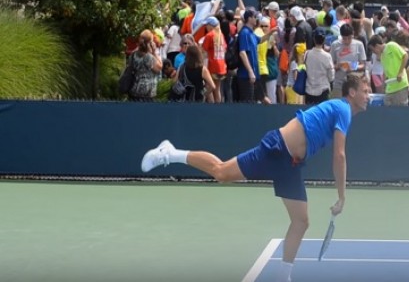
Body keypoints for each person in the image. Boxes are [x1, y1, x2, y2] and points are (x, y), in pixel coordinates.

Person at [141, 74, 370, 282]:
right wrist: (342, 197)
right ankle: (170, 153)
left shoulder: (344, 111)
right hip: (277, 149)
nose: (368, 95)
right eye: (365, 90)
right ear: (352, 93)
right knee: (222, 172)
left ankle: (283, 277)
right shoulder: (343, 109)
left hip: (290, 164)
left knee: (301, 221)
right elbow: (339, 155)